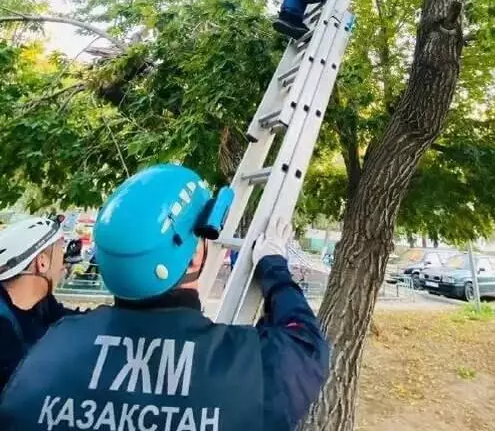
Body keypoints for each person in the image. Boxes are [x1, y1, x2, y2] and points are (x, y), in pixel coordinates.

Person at [0, 164, 330, 430]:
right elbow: (303, 341)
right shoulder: (249, 371)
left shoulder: (40, 354)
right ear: (194, 258)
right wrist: (272, 264)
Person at [0, 218, 85, 392]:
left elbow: (81, 323)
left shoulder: (43, 306)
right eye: (61, 252)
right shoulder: (3, 327)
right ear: (42, 262)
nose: (65, 264)